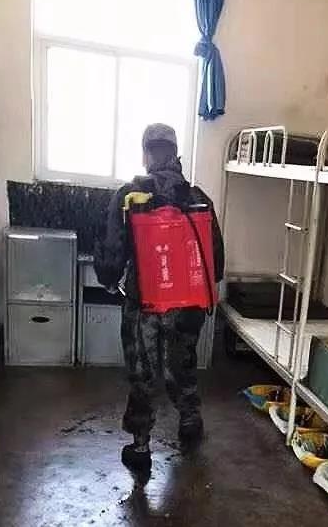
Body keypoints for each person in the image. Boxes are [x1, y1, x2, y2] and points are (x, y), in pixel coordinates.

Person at [94, 123, 224, 472]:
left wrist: (109, 280)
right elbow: (215, 260)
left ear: (146, 154)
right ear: (175, 153)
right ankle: (190, 419)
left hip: (146, 303)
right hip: (189, 302)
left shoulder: (130, 196)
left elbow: (111, 251)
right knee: (182, 362)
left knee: (143, 372)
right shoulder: (198, 198)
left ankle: (140, 445)